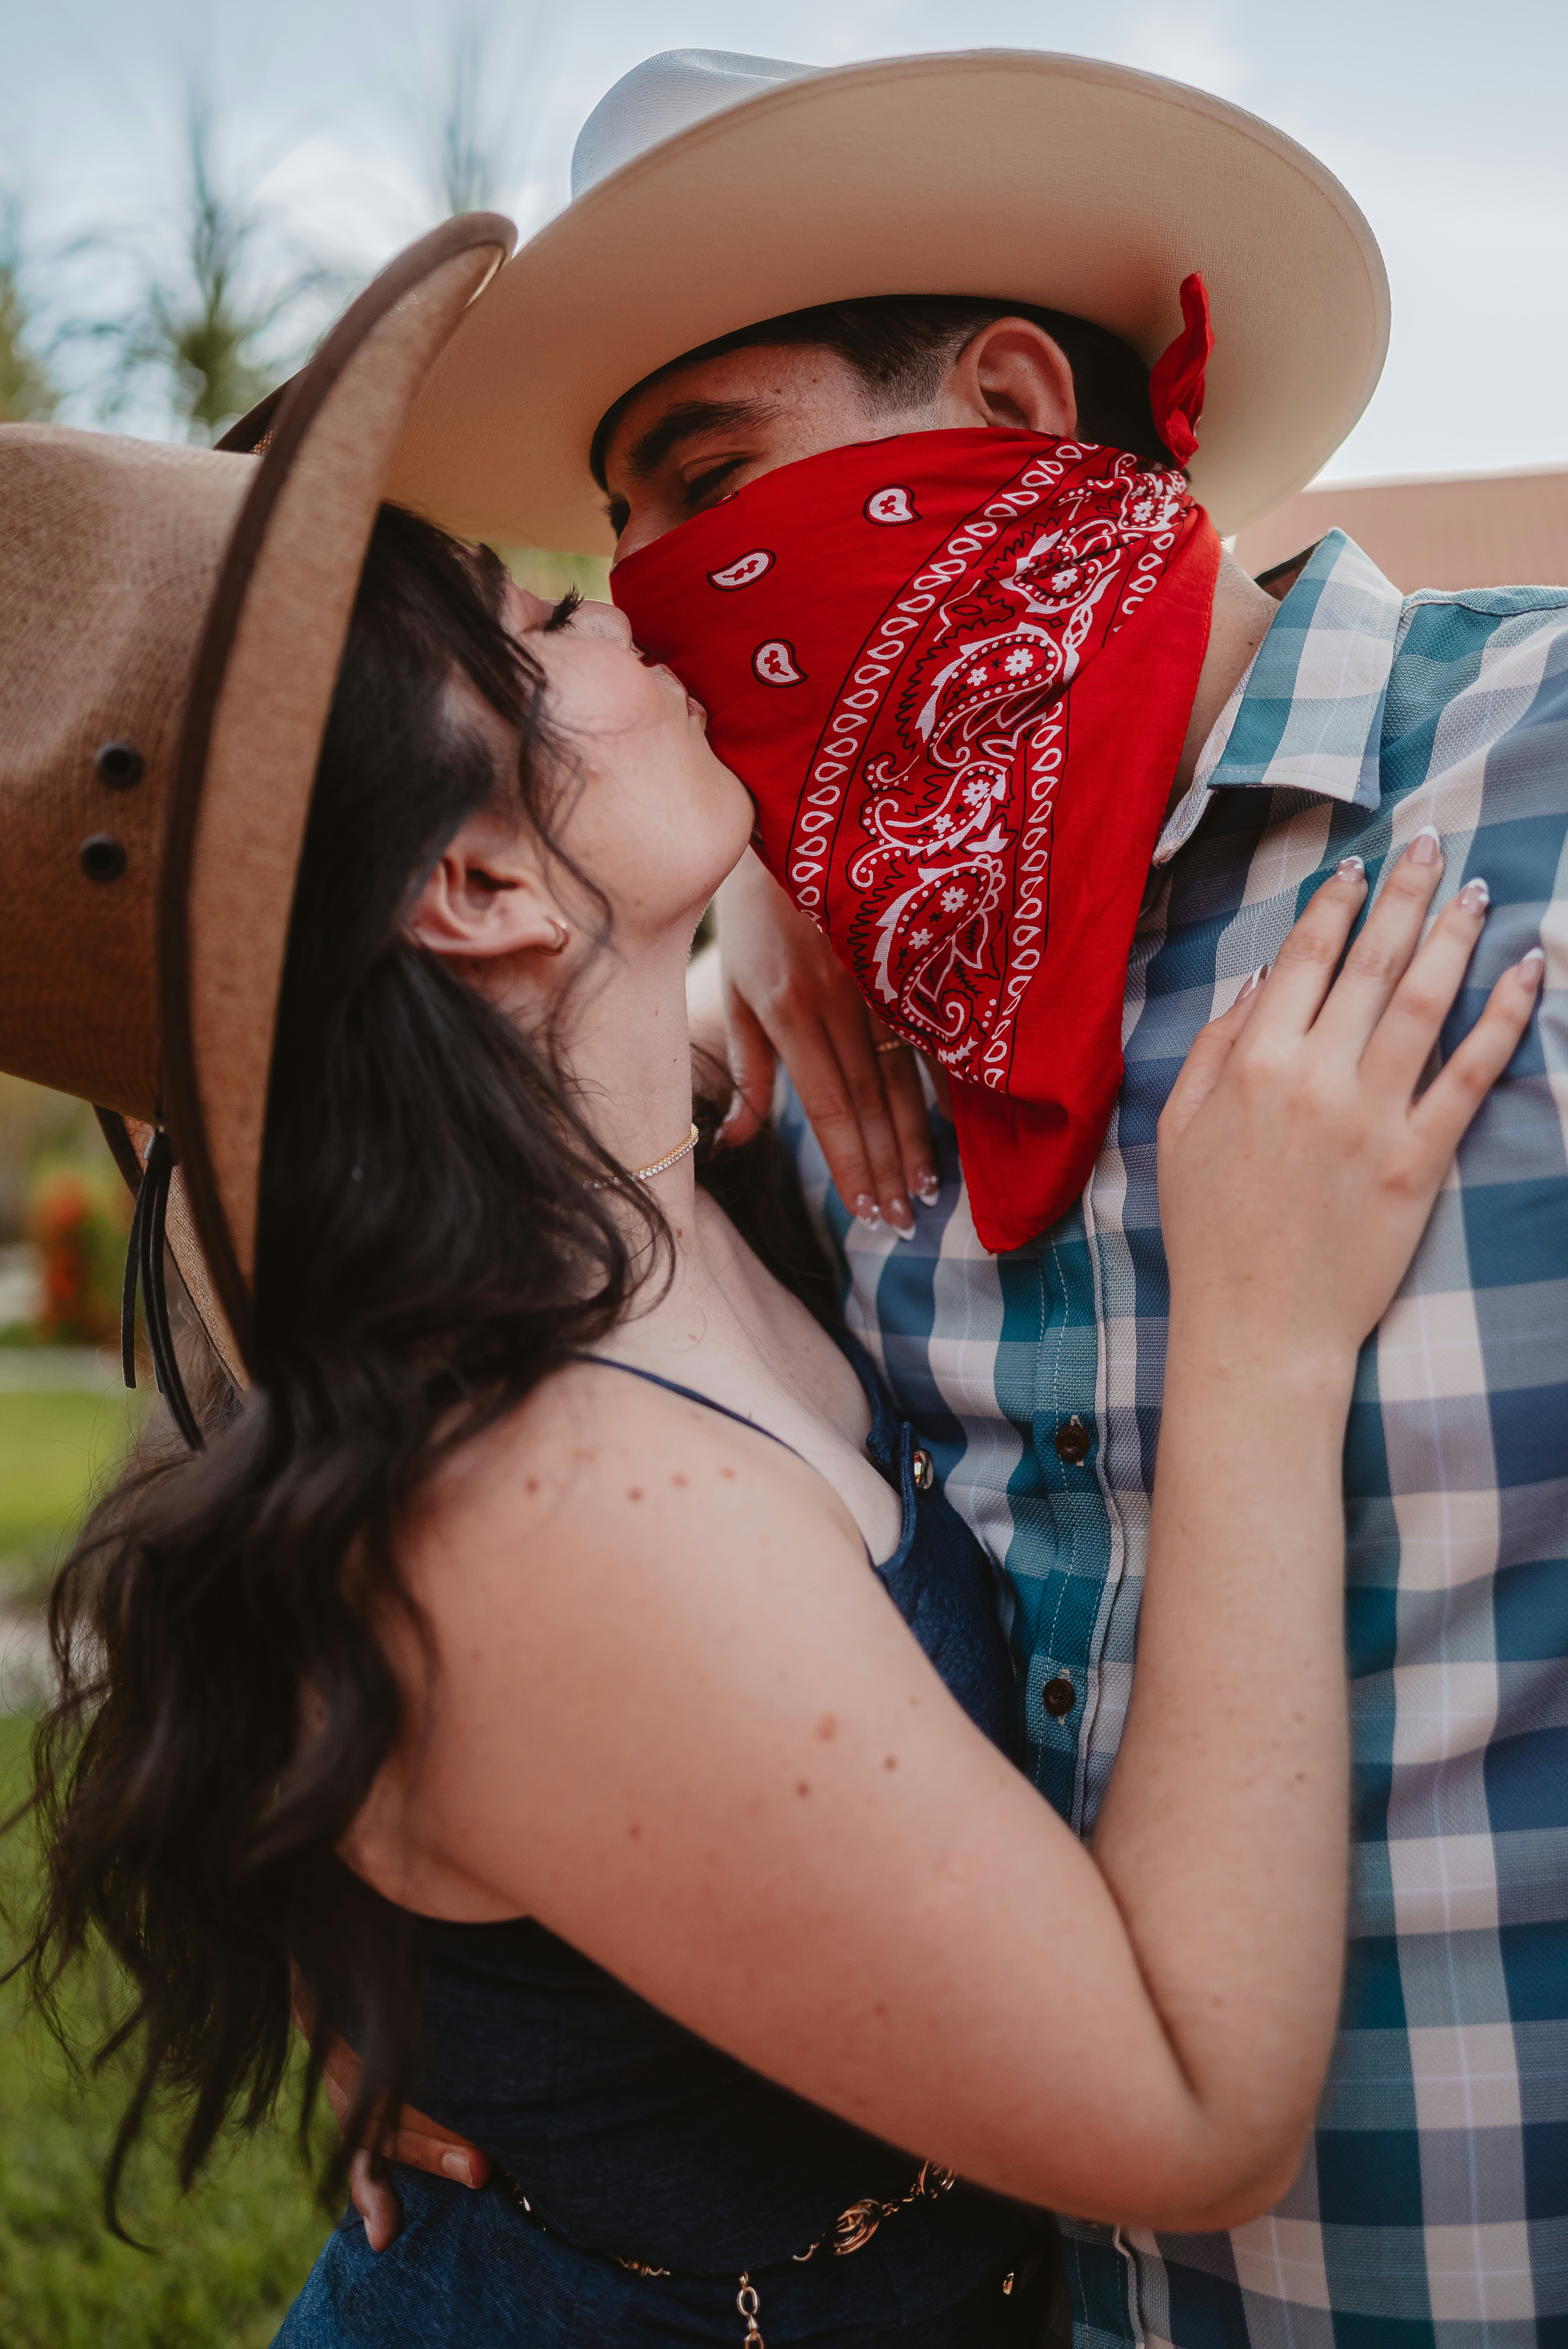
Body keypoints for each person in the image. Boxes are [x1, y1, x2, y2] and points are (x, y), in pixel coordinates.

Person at [3, 228, 1541, 2348]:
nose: (641, 613)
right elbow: (1185, 2110)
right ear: (473, 886)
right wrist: (1258, 1344)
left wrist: (760, 908)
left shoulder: (695, 1175)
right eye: (552, 610)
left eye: (659, 522)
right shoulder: (547, 1499)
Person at [374, 46, 1568, 2348]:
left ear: (1017, 403)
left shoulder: (1528, 798)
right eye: (625, 550)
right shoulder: (818, 1034)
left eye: (710, 488)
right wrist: (435, 2002)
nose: (663, 606)